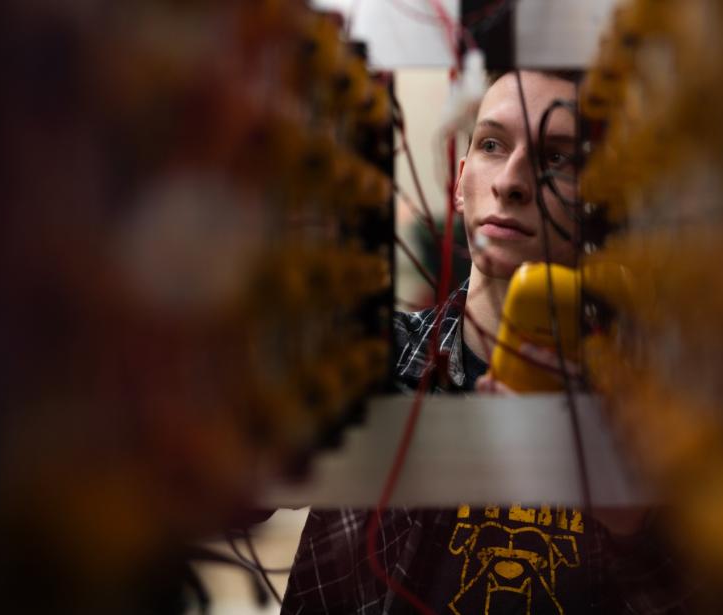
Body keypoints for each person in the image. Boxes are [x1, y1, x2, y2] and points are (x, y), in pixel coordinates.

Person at [280, 71, 691, 614]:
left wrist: (633, 526)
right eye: (493, 144)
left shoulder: (653, 406)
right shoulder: (373, 364)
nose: (512, 181)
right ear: (460, 179)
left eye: (557, 158)